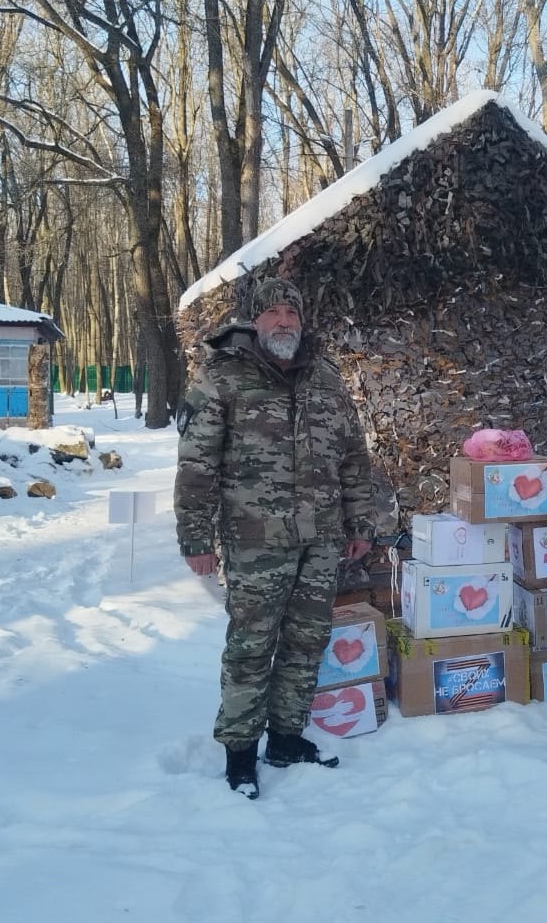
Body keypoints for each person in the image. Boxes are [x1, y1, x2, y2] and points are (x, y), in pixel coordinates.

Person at [174, 275, 376, 799]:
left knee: (305, 643)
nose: (284, 321)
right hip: (253, 542)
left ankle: (286, 738)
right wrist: (196, 539)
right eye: (273, 314)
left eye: (292, 313)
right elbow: (197, 466)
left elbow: (353, 459)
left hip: (322, 538)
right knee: (250, 647)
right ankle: (240, 754)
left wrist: (361, 525)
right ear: (254, 320)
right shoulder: (222, 378)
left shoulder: (326, 379)